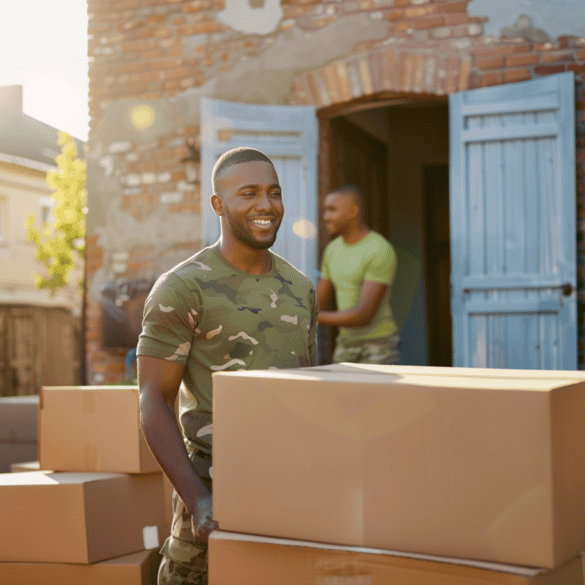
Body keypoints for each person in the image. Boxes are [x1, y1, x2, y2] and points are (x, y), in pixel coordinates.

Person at [137, 147, 318, 585]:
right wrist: (197, 498)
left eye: (274, 193)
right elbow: (152, 399)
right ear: (218, 204)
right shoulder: (183, 288)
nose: (266, 205)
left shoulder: (301, 289)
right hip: (212, 490)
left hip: (288, 487)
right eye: (249, 193)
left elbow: (312, 392)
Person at [316, 184, 400, 364]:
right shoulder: (332, 250)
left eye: (332, 210)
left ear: (353, 211)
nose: (325, 217)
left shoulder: (379, 249)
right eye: (325, 211)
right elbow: (317, 302)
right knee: (341, 393)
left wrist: (312, 316)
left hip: (379, 346)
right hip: (345, 344)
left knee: (376, 393)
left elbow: (364, 314)